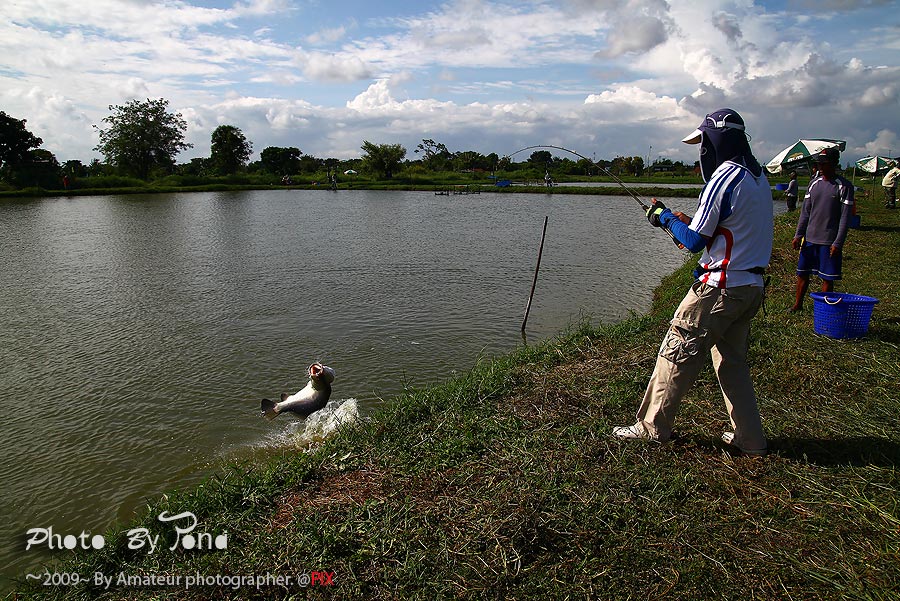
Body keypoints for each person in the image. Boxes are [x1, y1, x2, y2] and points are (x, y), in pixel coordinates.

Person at [612, 108, 774, 456]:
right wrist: (681, 220)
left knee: (675, 354)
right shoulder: (758, 178)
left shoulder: (724, 177)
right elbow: (724, 231)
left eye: (702, 141)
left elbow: (693, 242)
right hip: (750, 288)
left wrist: (663, 216)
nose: (701, 150)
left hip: (718, 290)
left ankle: (650, 428)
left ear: (714, 141)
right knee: (732, 363)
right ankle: (750, 438)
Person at [789, 147, 855, 312]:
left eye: (824, 163)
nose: (820, 167)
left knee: (827, 278)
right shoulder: (814, 184)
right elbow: (805, 212)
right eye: (819, 163)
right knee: (802, 273)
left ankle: (825, 310)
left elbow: (845, 218)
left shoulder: (844, 187)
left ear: (833, 164)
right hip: (810, 240)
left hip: (828, 241)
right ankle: (798, 305)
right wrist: (798, 235)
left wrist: (838, 243)